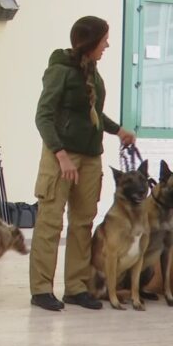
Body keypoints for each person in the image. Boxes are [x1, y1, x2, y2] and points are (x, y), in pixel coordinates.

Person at [29, 16, 136, 311]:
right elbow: (43, 116)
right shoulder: (60, 71)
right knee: (50, 222)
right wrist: (61, 155)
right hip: (60, 156)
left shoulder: (92, 71)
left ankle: (76, 287)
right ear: (89, 42)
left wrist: (118, 130)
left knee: (83, 222)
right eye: (104, 40)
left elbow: (91, 112)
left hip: (90, 156)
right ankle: (40, 289)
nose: (107, 45)